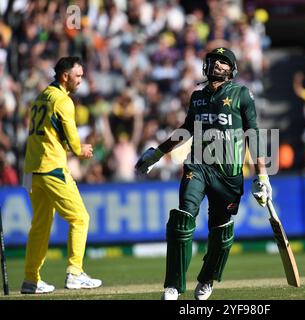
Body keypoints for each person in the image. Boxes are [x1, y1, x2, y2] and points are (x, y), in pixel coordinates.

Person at [135, 47, 271, 300]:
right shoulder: (197, 97)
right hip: (197, 165)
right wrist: (157, 154)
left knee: (220, 231)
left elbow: (254, 133)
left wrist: (261, 176)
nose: (218, 64)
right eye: (214, 60)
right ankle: (174, 285)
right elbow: (186, 130)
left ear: (231, 69)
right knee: (182, 215)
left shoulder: (242, 94)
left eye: (224, 61)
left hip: (228, 174)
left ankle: (207, 279)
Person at [21, 57, 102, 294]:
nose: (81, 80)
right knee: (80, 219)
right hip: (52, 169)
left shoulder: (40, 97)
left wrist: (69, 147)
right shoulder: (63, 101)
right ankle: (75, 273)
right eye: (78, 76)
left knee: (40, 227)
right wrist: (81, 150)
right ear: (65, 76)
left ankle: (30, 280)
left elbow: (48, 136)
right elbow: (75, 143)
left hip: (32, 170)